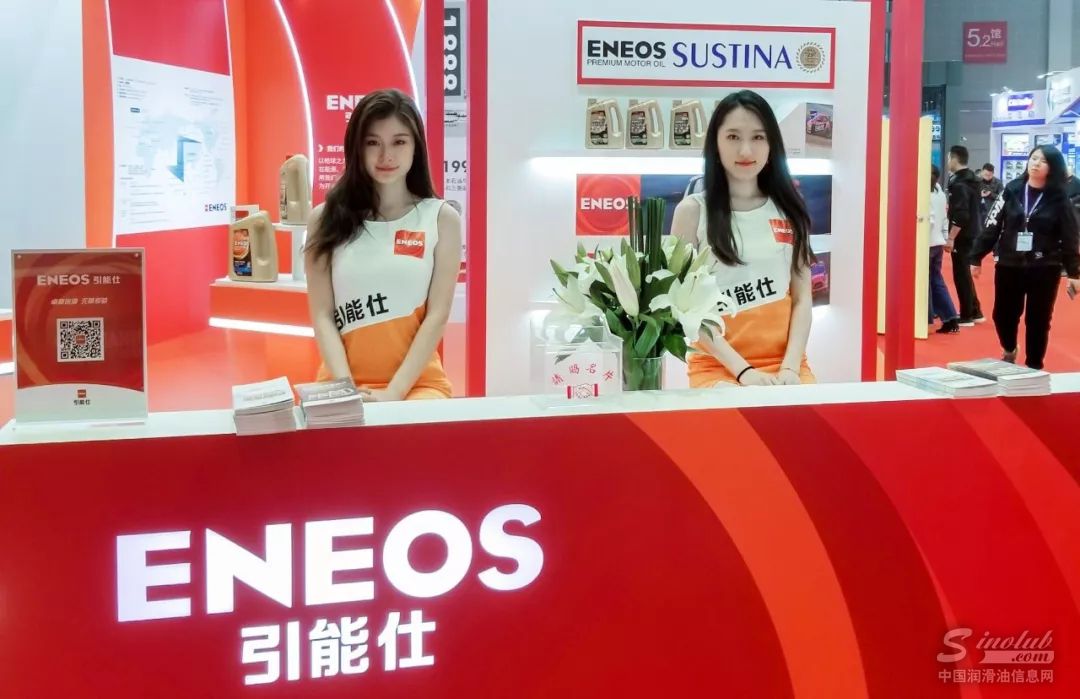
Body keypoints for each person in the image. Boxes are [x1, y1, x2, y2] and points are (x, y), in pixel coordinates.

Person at [304, 89, 461, 400]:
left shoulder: (441, 219)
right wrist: (346, 389)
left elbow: (438, 314)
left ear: (416, 147)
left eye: (399, 142)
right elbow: (322, 315)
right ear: (356, 148)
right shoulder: (324, 219)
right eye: (372, 142)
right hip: (341, 383)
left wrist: (393, 393)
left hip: (418, 386)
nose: (386, 155)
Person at [671, 90, 814, 387]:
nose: (746, 150)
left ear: (772, 144)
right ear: (716, 143)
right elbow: (687, 308)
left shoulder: (790, 209)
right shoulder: (692, 212)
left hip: (786, 364)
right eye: (733, 137)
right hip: (718, 367)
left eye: (758, 137)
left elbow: (802, 299)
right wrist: (744, 372)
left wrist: (790, 368)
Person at [970, 145, 1080, 369]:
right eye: (1034, 158)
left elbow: (1070, 236)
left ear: (1053, 167)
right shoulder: (1012, 189)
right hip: (1010, 263)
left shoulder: (1060, 198)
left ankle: (1034, 365)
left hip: (1045, 266)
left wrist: (1074, 272)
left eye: (1043, 161)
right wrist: (976, 256)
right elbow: (992, 224)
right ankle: (1009, 348)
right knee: (1003, 315)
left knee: (1038, 320)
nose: (1036, 163)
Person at [944, 145, 985, 326]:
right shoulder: (973, 180)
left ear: (954, 159)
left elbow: (961, 215)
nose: (948, 162)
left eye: (948, 158)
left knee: (961, 274)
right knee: (965, 273)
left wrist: (951, 237)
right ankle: (975, 311)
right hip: (973, 231)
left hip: (963, 234)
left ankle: (967, 314)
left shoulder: (960, 184)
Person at [928, 165, 960, 333]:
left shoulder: (926, 196)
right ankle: (950, 317)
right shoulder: (940, 194)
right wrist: (946, 238)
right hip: (938, 243)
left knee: (925, 282)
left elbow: (930, 220)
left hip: (926, 245)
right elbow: (944, 220)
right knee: (936, 280)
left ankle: (926, 319)